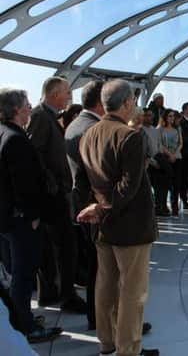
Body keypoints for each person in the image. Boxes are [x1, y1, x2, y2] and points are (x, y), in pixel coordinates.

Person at [76, 79, 159, 356]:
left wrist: (96, 208)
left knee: (106, 286)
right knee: (133, 291)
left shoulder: (88, 134)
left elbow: (86, 182)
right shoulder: (129, 136)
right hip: (131, 228)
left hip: (103, 228)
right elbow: (129, 186)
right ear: (125, 103)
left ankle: (107, 342)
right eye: (133, 101)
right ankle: (129, 349)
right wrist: (102, 208)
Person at [0, 88, 63, 343]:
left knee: (16, 272)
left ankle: (19, 316)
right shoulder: (15, 139)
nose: (29, 108)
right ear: (16, 109)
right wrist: (32, 215)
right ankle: (25, 326)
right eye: (26, 104)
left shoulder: (4, 134)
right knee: (24, 274)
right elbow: (24, 184)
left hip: (7, 219)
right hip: (21, 221)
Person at [27, 77, 87, 313]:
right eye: (65, 93)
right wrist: (52, 184)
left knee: (56, 246)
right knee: (64, 245)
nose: (68, 97)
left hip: (55, 192)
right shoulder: (42, 116)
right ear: (53, 94)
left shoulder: (48, 116)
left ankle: (52, 293)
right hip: (53, 196)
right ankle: (66, 296)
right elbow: (35, 154)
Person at [64, 80, 104, 331]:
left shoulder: (75, 124)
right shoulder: (93, 129)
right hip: (94, 207)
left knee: (95, 267)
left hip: (81, 203)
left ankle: (97, 316)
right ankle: (103, 320)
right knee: (102, 269)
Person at [157, 109, 182, 216]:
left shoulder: (177, 129)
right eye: (169, 116)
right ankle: (163, 206)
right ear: (165, 117)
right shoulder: (160, 130)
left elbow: (181, 143)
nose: (171, 118)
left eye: (173, 116)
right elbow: (159, 144)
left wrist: (175, 154)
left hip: (177, 158)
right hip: (166, 158)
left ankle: (175, 206)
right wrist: (169, 154)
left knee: (176, 184)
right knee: (166, 184)